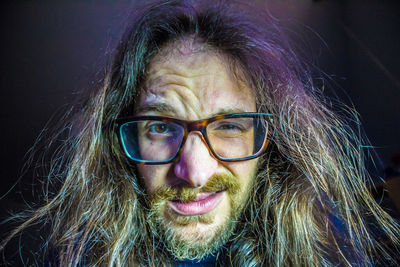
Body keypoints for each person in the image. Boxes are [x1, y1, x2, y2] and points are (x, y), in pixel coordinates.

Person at [2, 0, 400, 266]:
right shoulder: (73, 254)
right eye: (160, 127)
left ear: (272, 145)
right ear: (119, 146)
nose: (193, 172)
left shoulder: (327, 243)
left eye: (228, 126)